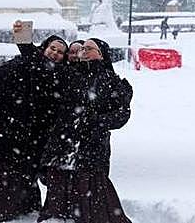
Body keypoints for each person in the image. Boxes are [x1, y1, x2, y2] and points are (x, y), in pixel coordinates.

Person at [0, 34, 68, 222]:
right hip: (6, 130)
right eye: (53, 48)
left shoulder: (60, 76)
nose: (55, 54)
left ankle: (18, 209)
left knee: (22, 175)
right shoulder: (22, 63)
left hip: (31, 138)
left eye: (60, 52)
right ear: (44, 48)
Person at [38, 38, 133, 223]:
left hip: (92, 148)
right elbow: (42, 66)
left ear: (101, 54)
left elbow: (122, 115)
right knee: (59, 189)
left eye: (89, 48)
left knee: (91, 194)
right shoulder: (69, 74)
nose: (83, 51)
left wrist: (95, 122)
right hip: (63, 145)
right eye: (82, 48)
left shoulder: (112, 81)